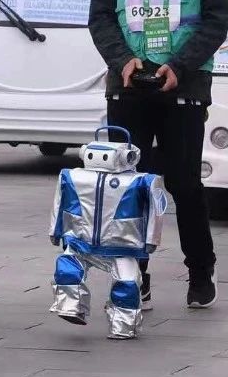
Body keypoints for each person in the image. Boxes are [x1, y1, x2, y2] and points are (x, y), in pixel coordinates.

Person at [87, 0, 228, 309]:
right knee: (130, 184)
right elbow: (101, 16)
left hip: (183, 86)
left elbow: (215, 19)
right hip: (128, 84)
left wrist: (179, 65)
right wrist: (122, 60)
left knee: (185, 182)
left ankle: (200, 272)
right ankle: (134, 276)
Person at [47, 127, 167, 339]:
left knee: (127, 283)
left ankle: (124, 325)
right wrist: (55, 230)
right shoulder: (72, 176)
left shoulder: (142, 181)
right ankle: (70, 306)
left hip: (122, 245)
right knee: (67, 271)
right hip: (80, 241)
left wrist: (151, 239)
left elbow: (156, 210)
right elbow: (59, 201)